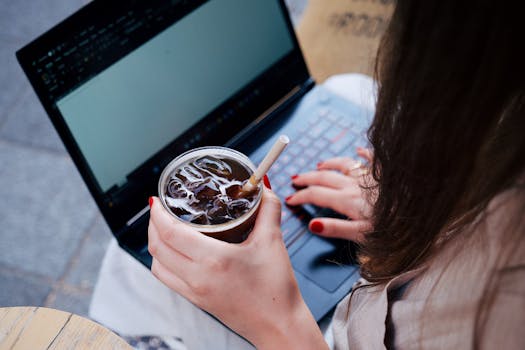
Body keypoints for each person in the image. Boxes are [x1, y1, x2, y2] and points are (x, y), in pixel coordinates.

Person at [92, 0, 525, 348]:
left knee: (133, 267)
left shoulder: (506, 307)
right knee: (347, 88)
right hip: (419, 268)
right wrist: (429, 218)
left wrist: (277, 321)